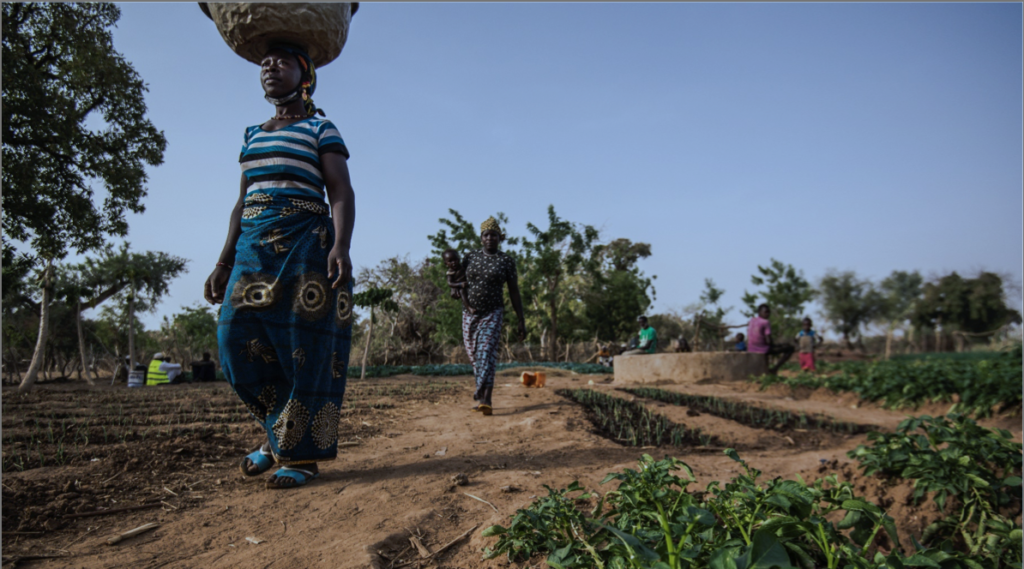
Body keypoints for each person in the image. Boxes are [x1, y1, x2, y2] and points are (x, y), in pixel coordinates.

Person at [204, 43, 356, 489]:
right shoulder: (253, 133)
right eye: (265, 63)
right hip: (252, 247)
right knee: (235, 342)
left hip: (306, 245)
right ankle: (276, 439)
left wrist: (341, 246)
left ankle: (301, 457)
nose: (271, 68)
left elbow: (341, 191)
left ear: (304, 75)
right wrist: (223, 259)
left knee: (302, 348)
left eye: (282, 62)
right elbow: (242, 200)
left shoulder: (320, 127)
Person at [460, 217, 527, 416]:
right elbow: (459, 282)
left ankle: (486, 398)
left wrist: (521, 319)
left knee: (487, 352)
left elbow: (514, 292)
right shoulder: (470, 257)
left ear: (500, 238)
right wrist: (456, 293)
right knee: (475, 356)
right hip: (469, 314)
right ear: (481, 238)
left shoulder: (505, 261)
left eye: (494, 235)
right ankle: (482, 396)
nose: (490, 238)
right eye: (486, 235)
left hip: (493, 313)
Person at [747, 304, 794, 374]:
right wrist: (776, 345)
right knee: (790, 348)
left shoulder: (752, 320)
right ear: (759, 312)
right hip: (762, 349)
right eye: (766, 312)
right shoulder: (765, 322)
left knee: (779, 346)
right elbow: (768, 341)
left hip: (750, 348)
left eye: (768, 312)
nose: (768, 314)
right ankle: (775, 369)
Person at [442, 249, 474, 315]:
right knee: (462, 292)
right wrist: (460, 284)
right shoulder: (450, 272)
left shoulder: (463, 266)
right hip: (460, 286)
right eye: (450, 261)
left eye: (455, 260)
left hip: (468, 284)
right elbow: (450, 283)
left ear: (458, 259)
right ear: (446, 263)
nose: (453, 262)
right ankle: (468, 307)